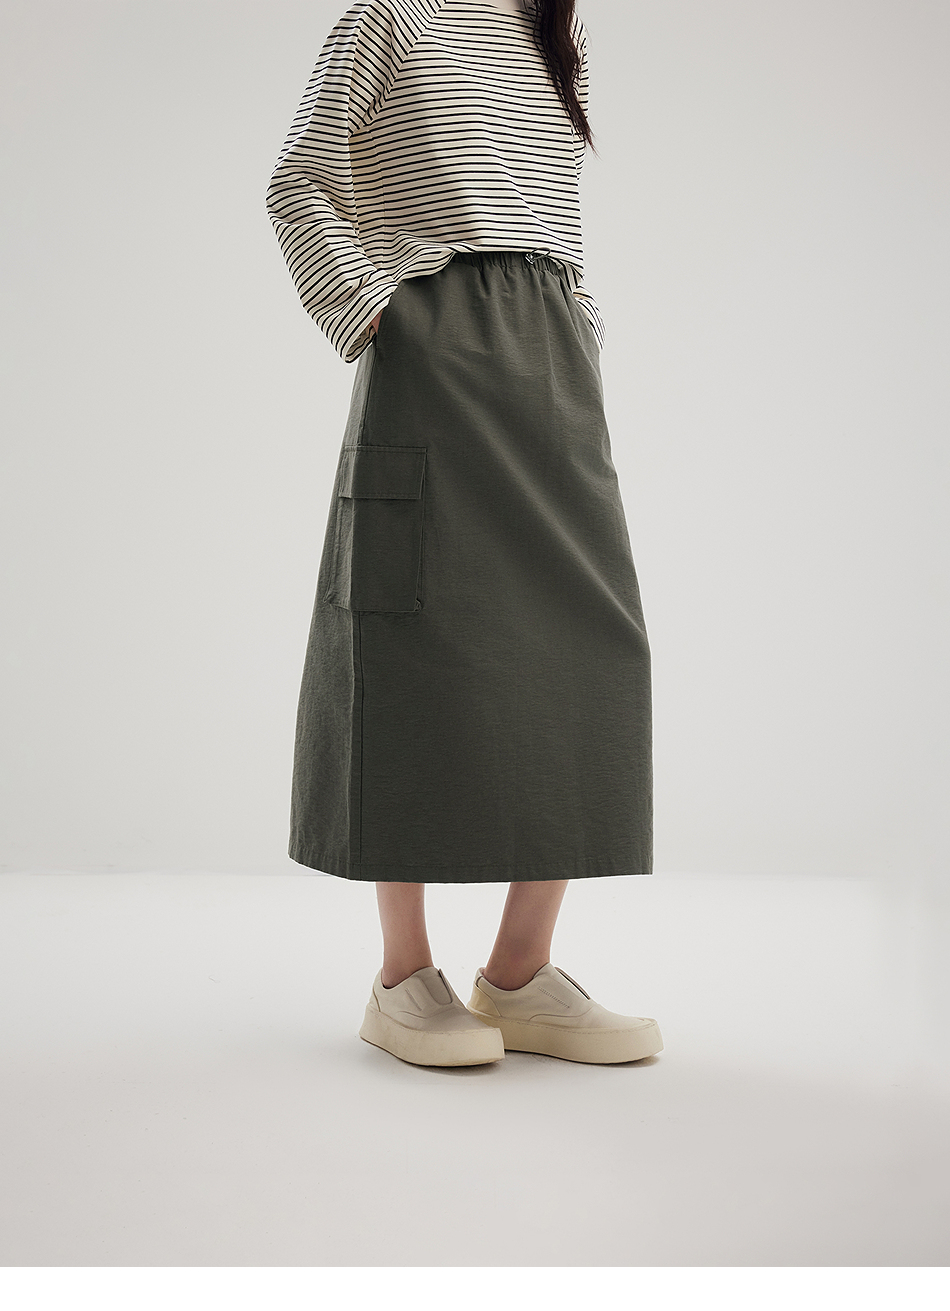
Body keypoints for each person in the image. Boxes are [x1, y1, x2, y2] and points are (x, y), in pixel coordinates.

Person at [265, 0, 663, 1068]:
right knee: (412, 639)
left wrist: (578, 334)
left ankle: (520, 976)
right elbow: (298, 180)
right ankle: (402, 979)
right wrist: (381, 313)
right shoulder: (388, 17)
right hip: (431, 355)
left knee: (593, 646)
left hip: (552, 365)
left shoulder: (548, 31)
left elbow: (553, 219)